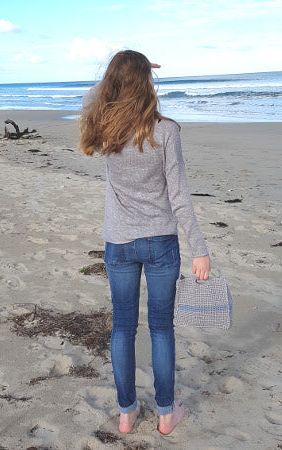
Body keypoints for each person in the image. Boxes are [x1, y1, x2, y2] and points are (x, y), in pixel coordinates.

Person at [79, 50, 210, 435]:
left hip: (119, 243)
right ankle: (167, 414)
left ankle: (126, 412)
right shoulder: (165, 131)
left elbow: (92, 97)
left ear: (115, 85)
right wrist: (199, 248)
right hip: (160, 244)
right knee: (160, 328)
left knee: (122, 328)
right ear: (148, 84)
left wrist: (120, 72)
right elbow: (180, 197)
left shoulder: (105, 126)